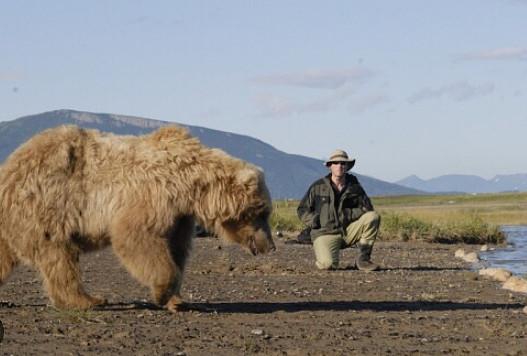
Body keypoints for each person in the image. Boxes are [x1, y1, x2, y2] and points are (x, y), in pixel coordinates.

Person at [297, 149, 381, 271]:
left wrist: (348, 214)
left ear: (347, 166)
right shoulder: (318, 187)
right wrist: (314, 221)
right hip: (324, 233)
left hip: (347, 231)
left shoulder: (355, 188)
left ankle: (363, 260)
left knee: (373, 217)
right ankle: (324, 252)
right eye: (336, 163)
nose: (339, 166)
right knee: (328, 265)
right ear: (330, 166)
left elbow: (368, 209)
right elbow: (302, 209)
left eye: (343, 163)